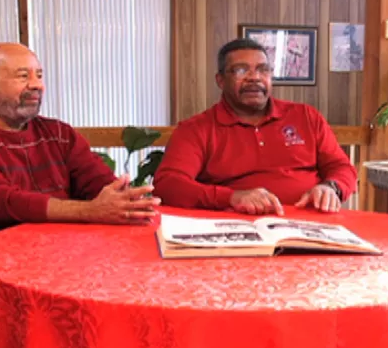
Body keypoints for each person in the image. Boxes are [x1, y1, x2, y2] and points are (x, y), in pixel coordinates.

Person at [0, 42, 160, 270]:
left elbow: (99, 183)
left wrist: (120, 199)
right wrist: (89, 211)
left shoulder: (59, 133)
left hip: (65, 254)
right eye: (23, 76)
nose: (37, 85)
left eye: (39, 75)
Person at [153, 38, 357, 215]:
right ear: (221, 80)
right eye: (241, 70)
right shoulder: (196, 129)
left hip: (311, 223)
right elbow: (169, 184)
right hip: (235, 228)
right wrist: (231, 198)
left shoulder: (306, 116)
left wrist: (330, 187)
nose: (254, 77)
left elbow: (342, 168)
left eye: (263, 69)